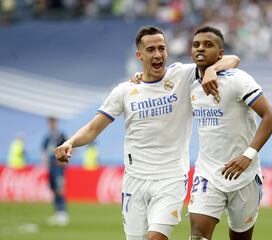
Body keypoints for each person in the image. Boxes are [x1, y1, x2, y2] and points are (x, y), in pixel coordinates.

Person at [54, 26, 239, 240]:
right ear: (139, 55)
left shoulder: (183, 75)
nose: (158, 54)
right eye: (151, 50)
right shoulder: (124, 91)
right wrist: (70, 142)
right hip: (135, 181)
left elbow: (233, 59)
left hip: (170, 180)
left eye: (162, 48)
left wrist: (210, 70)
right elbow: (93, 129)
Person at [188, 26, 272, 240]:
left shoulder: (238, 79)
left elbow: (271, 117)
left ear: (220, 53)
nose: (200, 48)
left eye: (208, 45)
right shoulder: (188, 81)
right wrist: (138, 76)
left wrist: (247, 156)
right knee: (198, 235)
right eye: (196, 45)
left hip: (244, 176)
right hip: (207, 173)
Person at [42, 117, 69, 226]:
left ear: (55, 122)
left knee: (59, 188)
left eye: (52, 121)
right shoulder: (48, 136)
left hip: (58, 166)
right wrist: (46, 161)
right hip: (51, 166)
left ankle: (63, 213)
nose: (51, 124)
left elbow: (70, 147)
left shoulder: (60, 135)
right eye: (49, 122)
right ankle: (57, 212)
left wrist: (64, 160)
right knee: (53, 188)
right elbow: (43, 150)